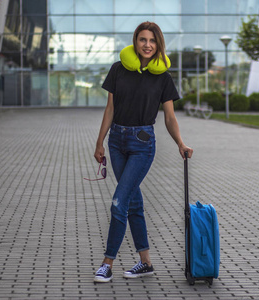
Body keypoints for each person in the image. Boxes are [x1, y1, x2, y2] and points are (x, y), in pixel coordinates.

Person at [92, 21, 193, 283]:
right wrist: (100, 141)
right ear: (135, 41)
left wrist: (180, 143)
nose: (147, 45)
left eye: (152, 40)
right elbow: (110, 109)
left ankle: (107, 263)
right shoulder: (118, 69)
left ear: (158, 44)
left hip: (142, 144)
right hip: (116, 142)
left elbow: (169, 117)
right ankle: (145, 263)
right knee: (134, 204)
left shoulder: (163, 77)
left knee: (119, 203)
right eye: (142, 39)